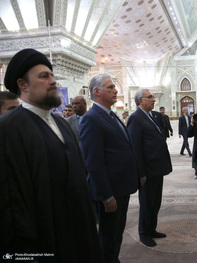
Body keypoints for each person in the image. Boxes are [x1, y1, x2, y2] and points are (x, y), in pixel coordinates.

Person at [0, 48, 102, 262]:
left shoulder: (61, 124)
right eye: (44, 76)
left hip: (80, 234)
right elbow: (10, 203)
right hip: (44, 243)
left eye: (52, 75)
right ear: (23, 84)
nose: (53, 81)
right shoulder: (9, 128)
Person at [79, 73, 139, 263]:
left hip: (120, 188)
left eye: (114, 87)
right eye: (111, 87)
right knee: (108, 236)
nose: (116, 90)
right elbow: (93, 162)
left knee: (116, 233)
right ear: (96, 91)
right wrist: (106, 195)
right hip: (110, 192)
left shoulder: (110, 114)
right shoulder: (91, 118)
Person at [127, 89, 172, 247]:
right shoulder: (135, 118)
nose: (154, 100)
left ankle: (152, 229)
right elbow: (135, 149)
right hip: (147, 170)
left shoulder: (153, 116)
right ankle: (144, 233)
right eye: (150, 97)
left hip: (157, 168)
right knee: (147, 203)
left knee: (155, 201)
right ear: (141, 101)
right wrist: (141, 173)